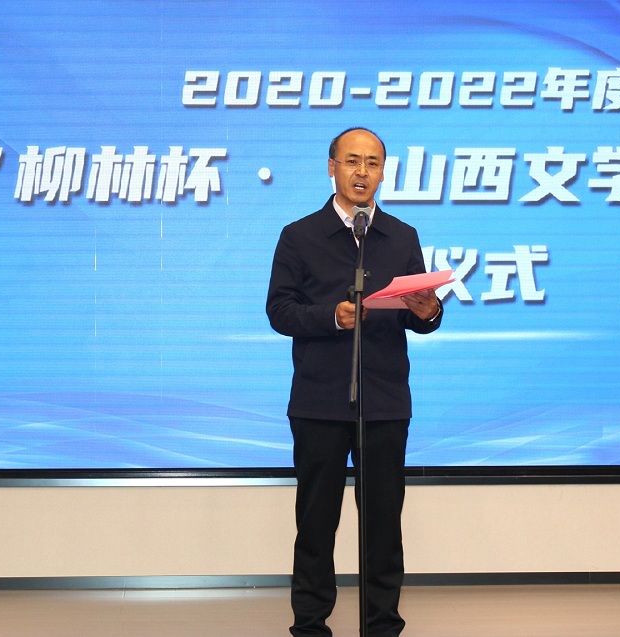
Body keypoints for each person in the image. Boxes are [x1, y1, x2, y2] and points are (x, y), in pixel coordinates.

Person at [266, 127, 443, 637]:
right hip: (319, 402)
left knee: (383, 526)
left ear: (383, 172)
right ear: (332, 167)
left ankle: (382, 626)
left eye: (372, 163)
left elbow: (418, 314)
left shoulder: (401, 236)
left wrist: (429, 311)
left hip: (384, 402)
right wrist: (331, 316)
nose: (362, 172)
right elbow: (279, 310)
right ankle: (310, 625)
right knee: (316, 524)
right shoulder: (300, 235)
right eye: (352, 161)